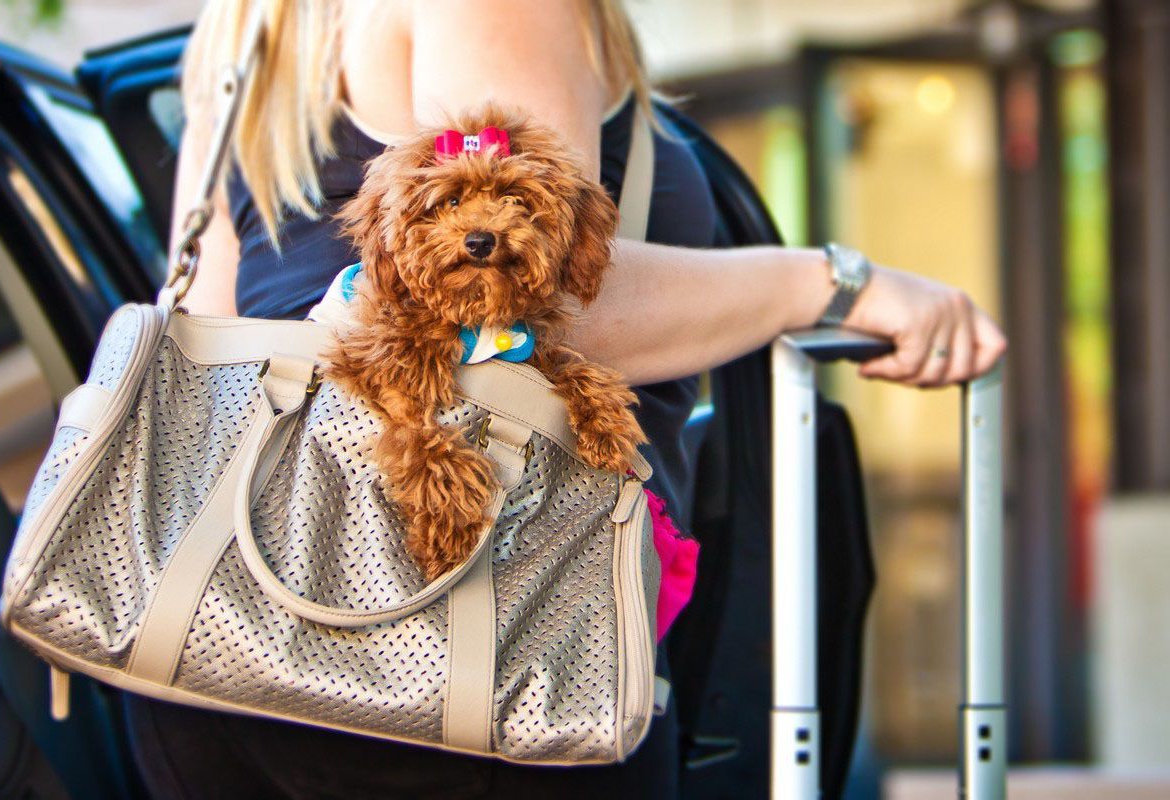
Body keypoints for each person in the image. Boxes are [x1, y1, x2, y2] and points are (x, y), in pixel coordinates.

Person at [124, 2, 1008, 798]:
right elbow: (532, 299)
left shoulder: (251, 30)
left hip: (222, 657)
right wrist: (834, 285)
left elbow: (214, 340)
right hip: (475, 651)